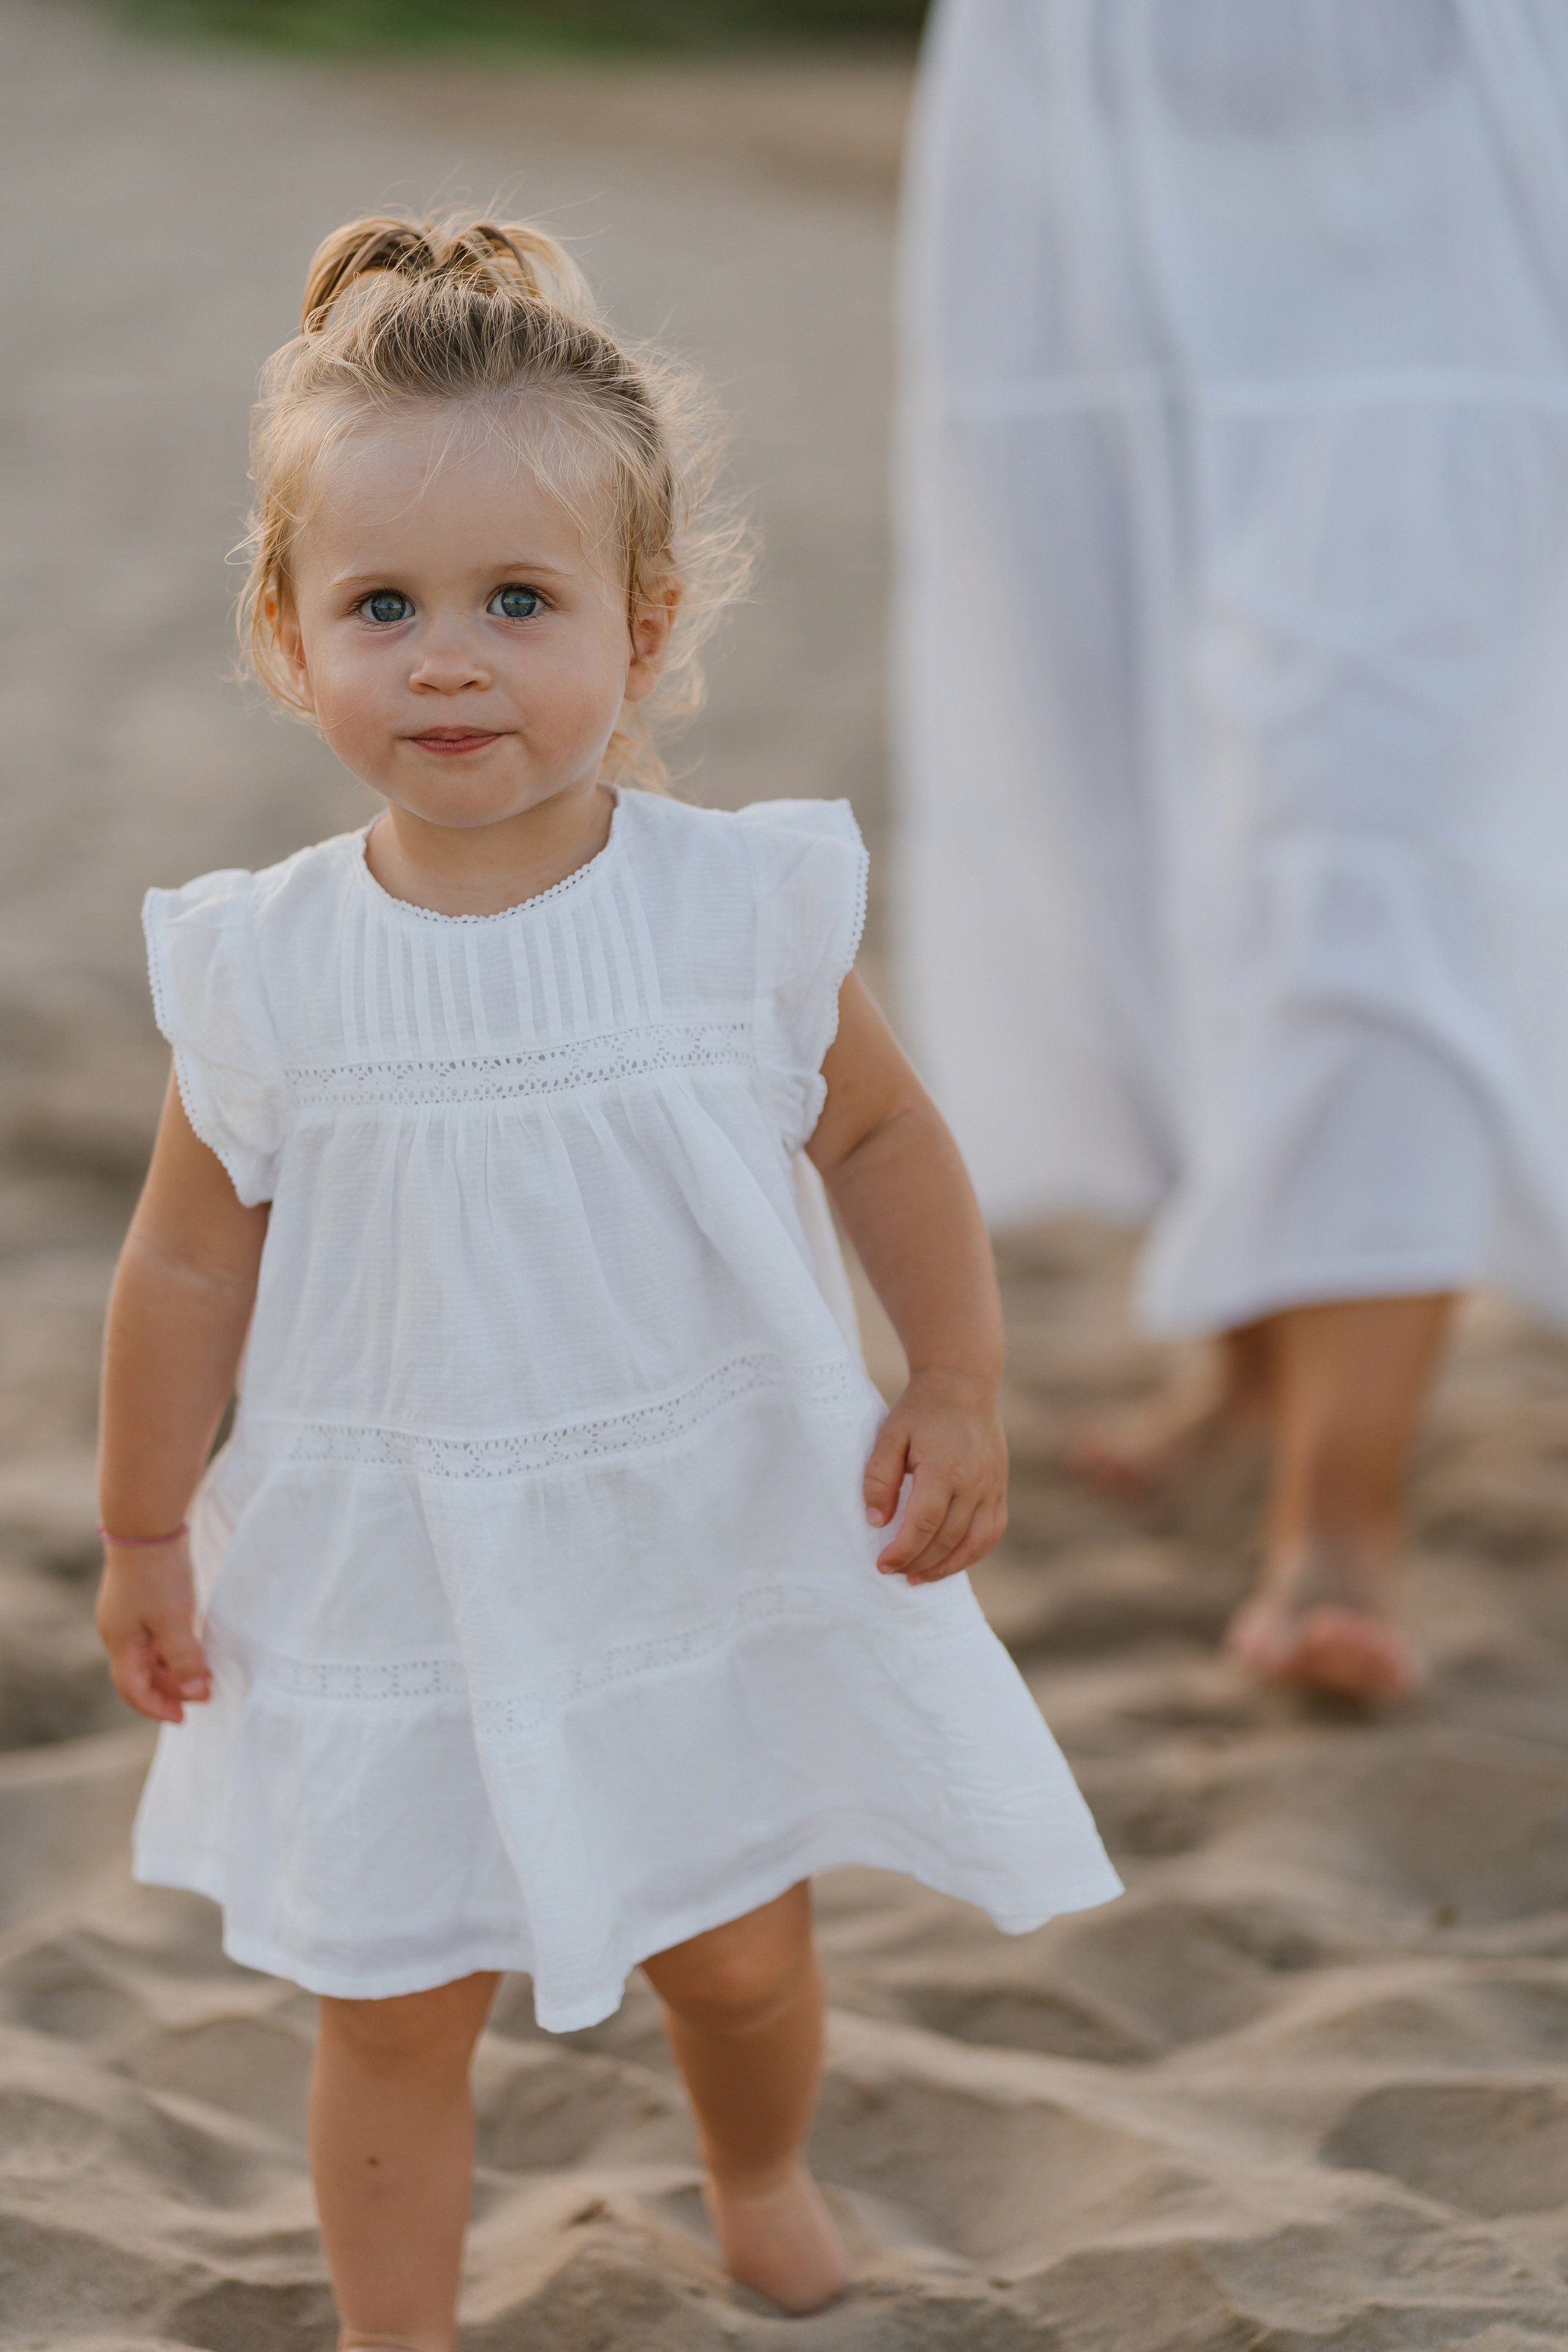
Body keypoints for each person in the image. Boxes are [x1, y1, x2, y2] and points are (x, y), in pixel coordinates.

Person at [93, 214, 1120, 2345]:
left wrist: (956, 1377)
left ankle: (757, 2172)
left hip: (691, 1526)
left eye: (519, 601)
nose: (450, 660)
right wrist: (141, 1526)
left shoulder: (734, 910)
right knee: (394, 1996)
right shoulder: (265, 965)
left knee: (736, 1951)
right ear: (288, 636)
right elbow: (185, 1262)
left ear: (644, 630)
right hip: (394, 1556)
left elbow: (881, 1138)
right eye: (383, 606)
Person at [896, 0, 1568, 1703]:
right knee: (1122, 781)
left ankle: (1340, 1507)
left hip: (1437, 138)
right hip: (1079, 106)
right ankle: (1260, 1357)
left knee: (1364, 803)